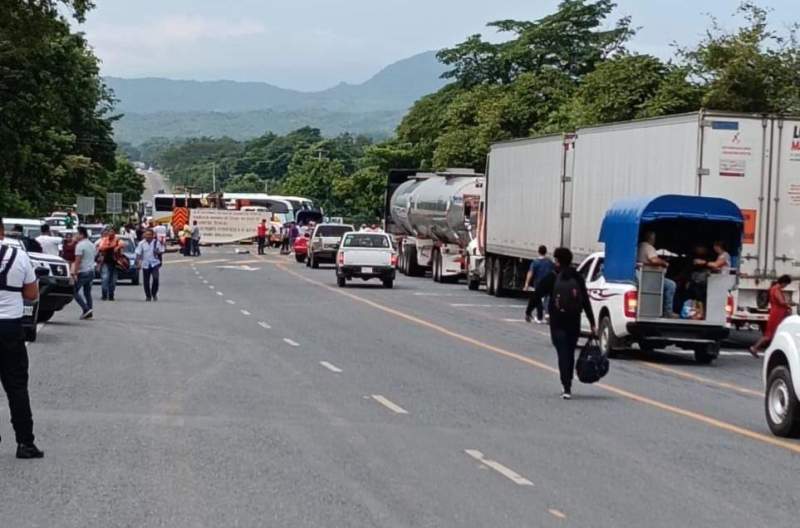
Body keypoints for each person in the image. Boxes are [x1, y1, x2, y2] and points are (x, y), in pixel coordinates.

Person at [0, 219, 45, 458]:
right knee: (17, 386)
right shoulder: (19, 257)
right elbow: (31, 293)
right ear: (1, 231)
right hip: (9, 328)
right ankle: (25, 443)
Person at [530, 247, 596, 399]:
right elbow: (585, 300)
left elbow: (538, 293)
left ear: (558, 261)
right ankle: (569, 384)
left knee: (562, 353)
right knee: (570, 352)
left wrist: (529, 311)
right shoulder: (577, 277)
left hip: (557, 321)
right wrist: (592, 322)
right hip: (574, 320)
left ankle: (565, 386)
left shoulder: (553, 277)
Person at [750, 275, 794, 357]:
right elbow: (781, 302)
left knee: (770, 334)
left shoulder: (774, 288)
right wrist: (790, 304)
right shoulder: (776, 289)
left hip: (777, 313)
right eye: (786, 284)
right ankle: (755, 347)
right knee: (770, 334)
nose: (786, 286)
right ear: (783, 282)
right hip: (777, 314)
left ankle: (758, 348)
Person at [637, 231, 677, 317]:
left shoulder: (639, 246)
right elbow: (653, 260)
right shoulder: (648, 247)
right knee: (671, 285)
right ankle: (668, 312)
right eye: (654, 238)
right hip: (651, 277)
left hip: (642, 277)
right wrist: (664, 263)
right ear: (651, 238)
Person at [525, 245, 556, 323]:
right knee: (548, 299)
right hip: (549, 284)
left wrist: (527, 284)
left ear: (538, 252)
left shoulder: (535, 262)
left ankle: (539, 316)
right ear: (546, 252)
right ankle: (547, 314)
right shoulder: (549, 262)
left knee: (538, 299)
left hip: (539, 284)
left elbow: (530, 273)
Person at [71, 226, 96, 319]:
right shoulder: (91, 244)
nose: (75, 236)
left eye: (77, 234)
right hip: (91, 271)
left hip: (83, 271)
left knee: (74, 291)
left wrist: (75, 273)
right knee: (87, 292)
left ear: (81, 234)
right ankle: (89, 310)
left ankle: (85, 309)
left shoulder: (80, 245)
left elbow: (78, 261)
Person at [135, 228, 164, 302]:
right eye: (146, 234)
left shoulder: (156, 242)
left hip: (154, 263)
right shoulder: (141, 243)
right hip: (146, 264)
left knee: (155, 278)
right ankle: (148, 296)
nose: (148, 236)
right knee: (146, 281)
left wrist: (157, 252)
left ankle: (154, 293)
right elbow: (138, 253)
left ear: (152, 235)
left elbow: (161, 251)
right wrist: (138, 263)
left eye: (149, 235)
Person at [97, 228, 123, 301]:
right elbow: (101, 248)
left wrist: (117, 247)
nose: (111, 233)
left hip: (115, 263)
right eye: (109, 232)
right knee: (105, 278)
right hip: (106, 262)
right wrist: (111, 246)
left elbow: (123, 244)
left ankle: (111, 295)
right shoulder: (104, 240)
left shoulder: (118, 240)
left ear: (115, 233)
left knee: (113, 281)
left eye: (112, 232)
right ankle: (104, 294)